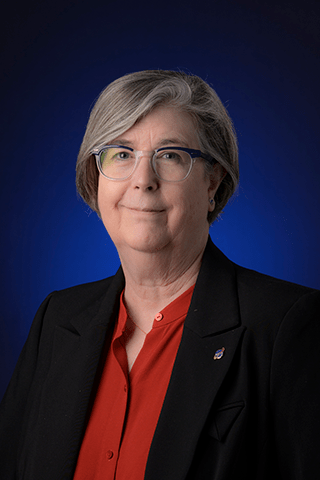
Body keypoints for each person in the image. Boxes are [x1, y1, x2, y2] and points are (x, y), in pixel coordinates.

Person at [0, 70, 319, 480]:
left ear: (212, 182)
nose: (142, 180)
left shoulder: (286, 326)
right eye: (121, 153)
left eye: (170, 155)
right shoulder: (57, 319)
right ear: (95, 177)